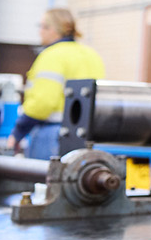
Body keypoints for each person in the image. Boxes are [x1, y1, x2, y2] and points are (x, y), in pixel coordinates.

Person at [10, 8, 105, 159]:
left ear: (52, 30)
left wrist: (18, 132)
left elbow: (43, 103)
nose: (39, 31)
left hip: (52, 134)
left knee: (43, 180)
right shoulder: (91, 54)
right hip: (88, 136)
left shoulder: (52, 55)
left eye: (41, 26)